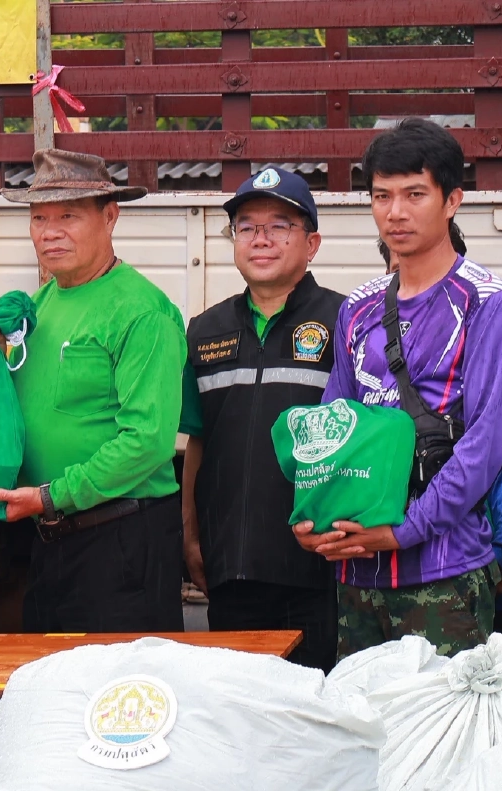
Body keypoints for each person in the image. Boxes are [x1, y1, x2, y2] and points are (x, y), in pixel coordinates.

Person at [294, 118, 502, 658]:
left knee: (445, 736)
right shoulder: (358, 307)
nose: (394, 213)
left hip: (447, 573)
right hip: (357, 571)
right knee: (368, 733)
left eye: (414, 194)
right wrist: (312, 518)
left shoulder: (488, 302)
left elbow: (485, 448)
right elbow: (332, 430)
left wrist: (402, 532)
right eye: (381, 196)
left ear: (452, 201)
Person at [0, 148, 186, 634]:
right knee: (54, 687)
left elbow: (147, 443)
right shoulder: (41, 302)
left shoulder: (141, 311)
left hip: (120, 541)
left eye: (68, 215)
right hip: (53, 536)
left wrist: (50, 497)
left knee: (118, 696)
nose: (49, 232)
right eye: (38, 218)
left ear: (109, 217)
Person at [180, 167, 343, 672]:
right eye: (247, 227)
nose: (261, 239)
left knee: (315, 710)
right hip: (232, 568)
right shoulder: (205, 331)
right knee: (239, 714)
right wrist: (190, 535)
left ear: (311, 243)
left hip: (317, 567)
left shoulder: (346, 320)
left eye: (279, 226)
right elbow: (198, 443)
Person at [379, 224, 502, 639]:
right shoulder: (370, 352)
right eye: (399, 270)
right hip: (398, 572)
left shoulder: (500, 345)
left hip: (486, 572)